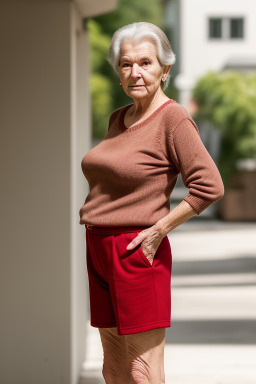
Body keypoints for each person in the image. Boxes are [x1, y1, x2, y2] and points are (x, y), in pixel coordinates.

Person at [79, 21, 224, 384]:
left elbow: (209, 185)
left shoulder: (172, 118)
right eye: (126, 64)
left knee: (141, 371)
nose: (135, 72)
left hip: (136, 248)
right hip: (97, 245)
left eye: (145, 63)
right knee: (112, 367)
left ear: (165, 70)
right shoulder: (119, 118)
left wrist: (158, 230)